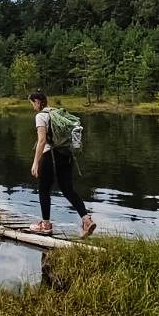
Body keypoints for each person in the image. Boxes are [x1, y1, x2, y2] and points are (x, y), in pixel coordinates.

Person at [28, 90, 96, 237]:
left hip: (50, 156)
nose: (33, 106)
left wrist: (35, 162)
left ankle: (45, 225)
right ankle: (86, 219)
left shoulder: (41, 116)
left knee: (44, 189)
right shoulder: (57, 113)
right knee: (68, 189)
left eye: (33, 103)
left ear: (38, 102)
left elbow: (42, 141)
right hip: (66, 155)